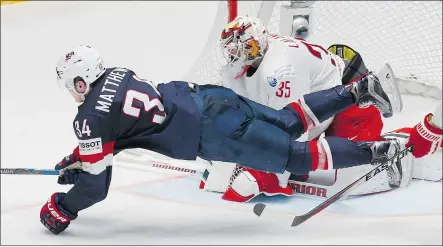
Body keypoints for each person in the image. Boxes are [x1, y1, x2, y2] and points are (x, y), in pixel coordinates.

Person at [40, 44, 401, 235]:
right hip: (211, 97)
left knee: (292, 158)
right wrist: (83, 157)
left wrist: (63, 206)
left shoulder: (88, 118)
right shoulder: (118, 73)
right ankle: (360, 89)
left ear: (79, 82)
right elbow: (123, 125)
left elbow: (96, 187)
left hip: (212, 133)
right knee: (290, 120)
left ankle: (378, 153)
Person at [200, 16, 439, 202]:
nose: (238, 56)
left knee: (354, 166)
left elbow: (296, 125)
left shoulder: (281, 67)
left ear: (261, 41)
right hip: (319, 104)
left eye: (245, 48)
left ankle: (407, 148)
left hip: (349, 101)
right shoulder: (237, 70)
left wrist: (270, 170)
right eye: (232, 51)